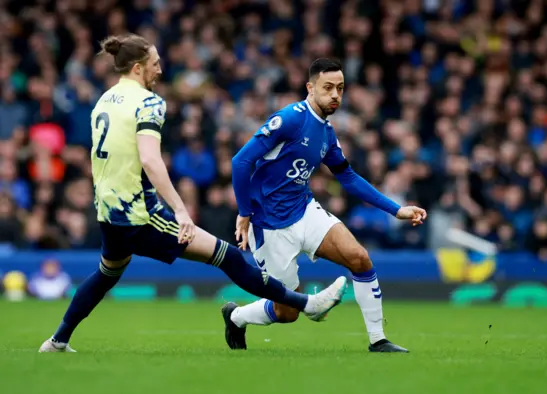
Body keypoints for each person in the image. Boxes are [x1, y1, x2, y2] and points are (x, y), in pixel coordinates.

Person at [38, 36, 347, 353]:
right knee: (227, 255)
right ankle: (307, 303)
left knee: (107, 273)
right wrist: (181, 211)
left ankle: (57, 340)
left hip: (109, 210)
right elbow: (149, 159)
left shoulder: (105, 100)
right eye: (155, 63)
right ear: (137, 67)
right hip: (140, 214)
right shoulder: (149, 102)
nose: (160, 69)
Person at [228, 58, 427, 353]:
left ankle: (378, 340)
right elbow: (240, 161)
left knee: (359, 258)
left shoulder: (326, 132)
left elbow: (347, 176)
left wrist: (395, 209)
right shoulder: (291, 118)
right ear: (310, 88)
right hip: (269, 224)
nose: (335, 95)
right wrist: (244, 212)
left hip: (304, 209)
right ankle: (236, 316)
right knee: (288, 312)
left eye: (341, 88)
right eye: (328, 88)